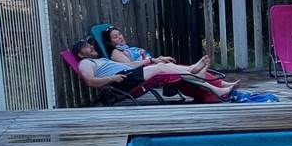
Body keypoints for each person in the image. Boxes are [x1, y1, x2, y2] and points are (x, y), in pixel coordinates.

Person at [72, 38, 235, 100]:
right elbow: (90, 81)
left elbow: (129, 65)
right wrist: (111, 79)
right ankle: (202, 77)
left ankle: (208, 81)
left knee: (165, 66)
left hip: (127, 72)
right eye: (84, 46)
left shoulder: (101, 60)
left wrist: (151, 60)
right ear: (80, 54)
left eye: (88, 43)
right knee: (160, 70)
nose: (89, 46)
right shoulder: (85, 63)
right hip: (120, 80)